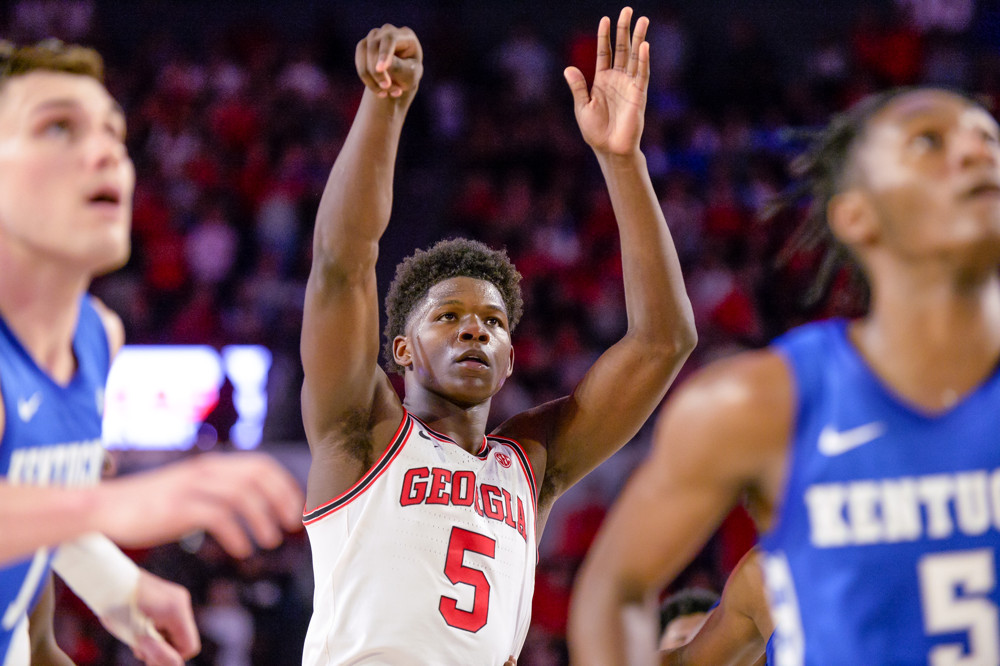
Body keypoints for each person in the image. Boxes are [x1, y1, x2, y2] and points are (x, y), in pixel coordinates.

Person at [299, 7, 696, 664]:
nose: (474, 332)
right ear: (402, 349)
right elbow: (341, 267)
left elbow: (664, 341)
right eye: (448, 318)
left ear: (511, 357)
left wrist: (621, 160)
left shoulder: (530, 463)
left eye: (492, 323)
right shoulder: (360, 430)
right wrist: (383, 108)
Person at [568, 85, 1000, 664]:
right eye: (930, 141)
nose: (977, 152)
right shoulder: (760, 402)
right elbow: (613, 587)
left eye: (988, 137)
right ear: (856, 215)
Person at [0, 39, 304, 666]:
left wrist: (116, 586)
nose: (107, 149)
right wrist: (119, 505)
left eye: (113, 130)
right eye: (58, 126)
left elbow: (34, 532)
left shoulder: (96, 336)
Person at [661, 548, 773, 665]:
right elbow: (683, 661)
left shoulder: (759, 577)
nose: (690, 637)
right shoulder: (758, 576)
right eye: (681, 639)